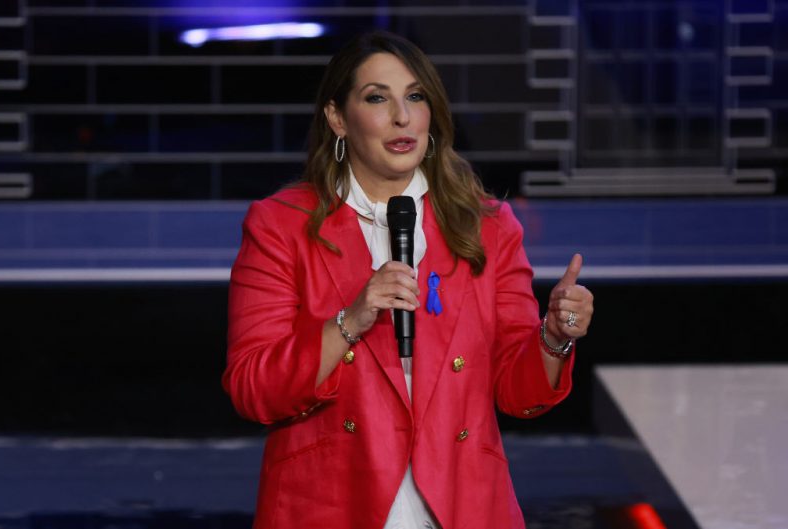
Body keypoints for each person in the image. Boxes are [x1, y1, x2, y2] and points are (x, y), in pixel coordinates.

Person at [222, 30, 594, 529]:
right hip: (331, 505)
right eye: (378, 98)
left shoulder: (487, 225)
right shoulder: (280, 225)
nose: (402, 116)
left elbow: (518, 394)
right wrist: (349, 321)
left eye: (415, 97)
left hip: (462, 506)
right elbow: (253, 390)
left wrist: (552, 338)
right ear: (337, 118)